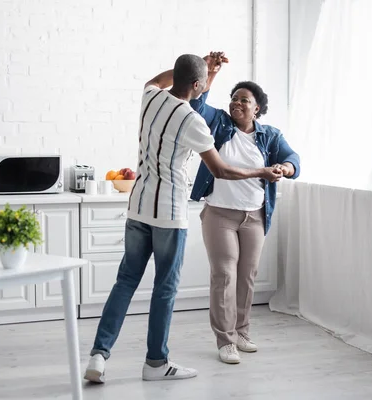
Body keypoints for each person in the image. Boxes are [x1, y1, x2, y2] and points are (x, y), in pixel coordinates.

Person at [84, 54, 283, 383]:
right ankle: (156, 363)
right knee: (164, 289)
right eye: (204, 83)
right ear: (198, 85)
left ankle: (98, 355)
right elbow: (220, 169)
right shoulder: (193, 122)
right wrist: (261, 171)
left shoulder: (151, 96)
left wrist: (202, 67)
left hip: (138, 208)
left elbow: (159, 80)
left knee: (125, 282)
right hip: (170, 216)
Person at [190, 52, 301, 364]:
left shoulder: (270, 135)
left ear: (258, 109)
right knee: (224, 274)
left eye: (244, 100)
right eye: (234, 99)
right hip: (220, 214)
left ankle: (242, 332)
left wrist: (285, 168)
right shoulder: (219, 124)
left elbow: (293, 159)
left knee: (247, 276)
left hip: (254, 215)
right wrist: (210, 73)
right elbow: (196, 106)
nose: (236, 104)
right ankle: (225, 340)